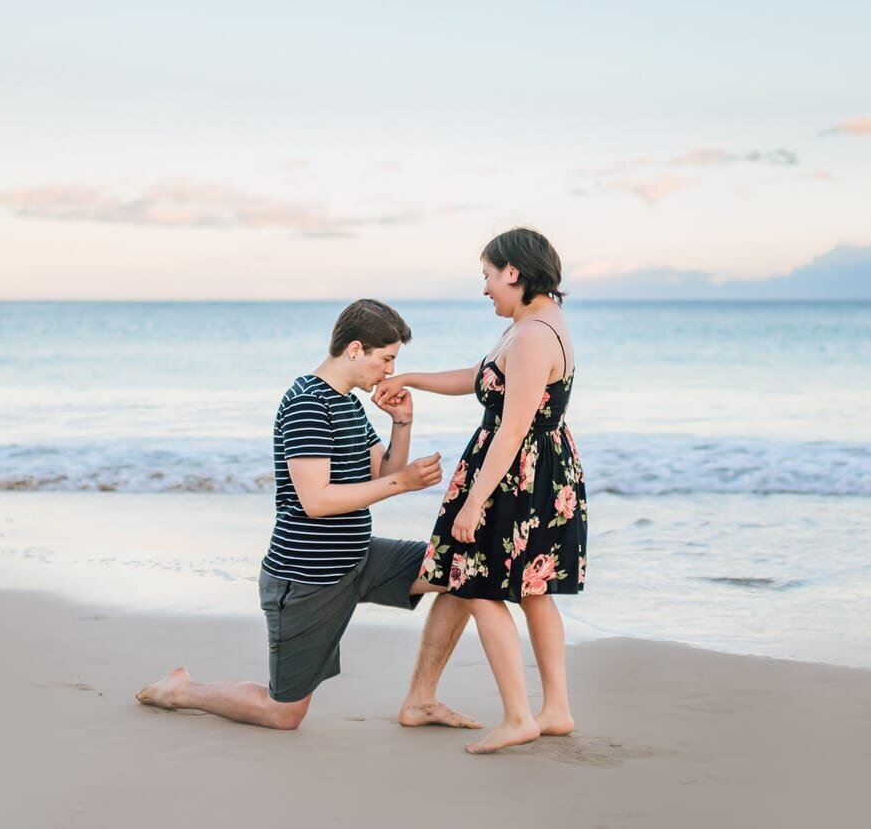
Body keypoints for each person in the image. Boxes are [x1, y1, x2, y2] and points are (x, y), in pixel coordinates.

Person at [136, 299, 481, 732]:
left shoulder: (349, 404)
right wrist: (404, 483)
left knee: (466, 569)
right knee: (284, 713)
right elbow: (315, 501)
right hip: (305, 579)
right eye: (387, 359)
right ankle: (181, 690)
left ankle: (421, 701)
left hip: (358, 557)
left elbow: (384, 474)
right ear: (355, 349)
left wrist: (402, 424)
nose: (390, 372)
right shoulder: (307, 403)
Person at [373, 228, 586, 754]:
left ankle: (519, 716)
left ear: (513, 271)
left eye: (488, 275)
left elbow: (513, 428)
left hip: (513, 473)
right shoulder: (529, 325)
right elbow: (480, 377)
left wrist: (472, 503)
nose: (485, 287)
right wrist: (415, 379)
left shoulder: (534, 334)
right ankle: (555, 708)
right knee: (534, 590)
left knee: (477, 585)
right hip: (535, 470)